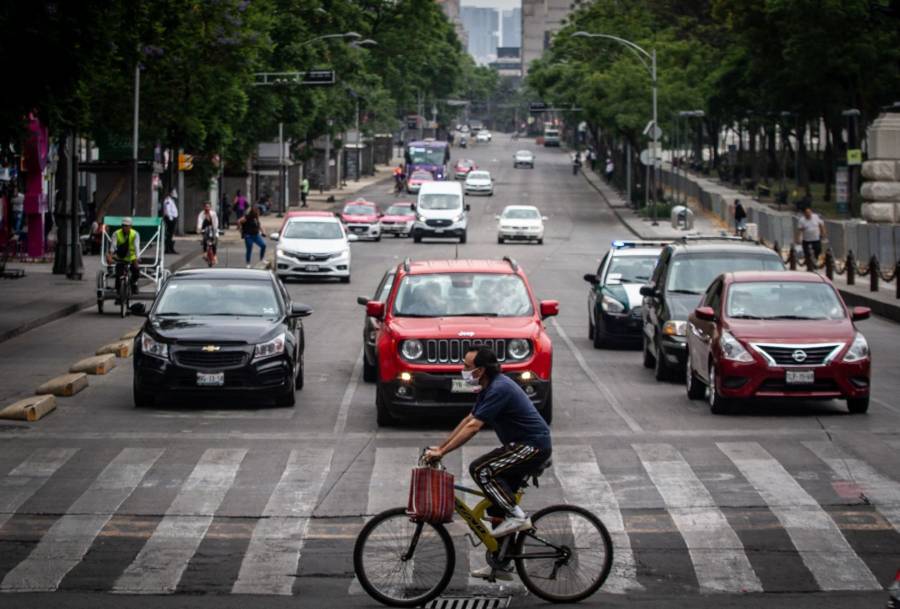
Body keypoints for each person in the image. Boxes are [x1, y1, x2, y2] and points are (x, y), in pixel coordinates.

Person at [425, 347, 552, 581]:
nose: (462, 370)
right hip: (521, 445)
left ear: (480, 370)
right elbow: (468, 420)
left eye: (466, 366)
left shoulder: (499, 389)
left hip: (532, 446)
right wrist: (440, 448)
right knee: (495, 508)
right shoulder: (489, 387)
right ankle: (501, 563)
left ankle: (517, 517)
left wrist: (443, 451)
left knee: (481, 469)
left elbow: (474, 427)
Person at [107, 216, 141, 294]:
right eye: (123, 225)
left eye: (126, 226)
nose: (125, 227)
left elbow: (136, 247)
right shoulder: (116, 233)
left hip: (132, 257)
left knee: (136, 272)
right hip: (120, 257)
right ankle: (118, 293)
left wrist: (137, 258)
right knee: (118, 274)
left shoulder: (135, 234)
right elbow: (113, 246)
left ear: (130, 226)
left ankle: (134, 284)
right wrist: (110, 256)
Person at [162, 189, 179, 254]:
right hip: (170, 219)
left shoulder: (172, 200)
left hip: (172, 218)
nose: (175, 193)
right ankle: (168, 249)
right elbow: (167, 210)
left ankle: (170, 248)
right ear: (170, 193)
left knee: (171, 234)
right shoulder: (168, 200)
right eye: (173, 192)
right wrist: (170, 218)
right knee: (169, 234)